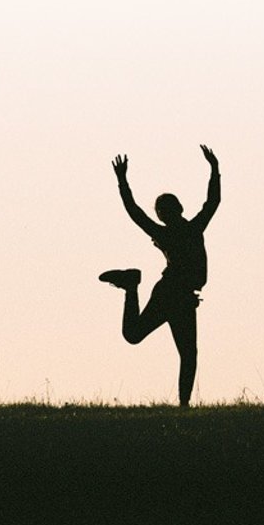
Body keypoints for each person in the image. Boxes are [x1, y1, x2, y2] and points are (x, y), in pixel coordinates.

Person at [99, 146, 221, 407]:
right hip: (173, 295)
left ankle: (131, 285)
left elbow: (136, 213)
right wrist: (214, 169)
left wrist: (123, 181)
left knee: (167, 346)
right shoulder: (192, 228)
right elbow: (212, 202)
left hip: (177, 296)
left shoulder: (174, 231)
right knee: (186, 353)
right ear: (176, 210)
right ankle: (131, 285)